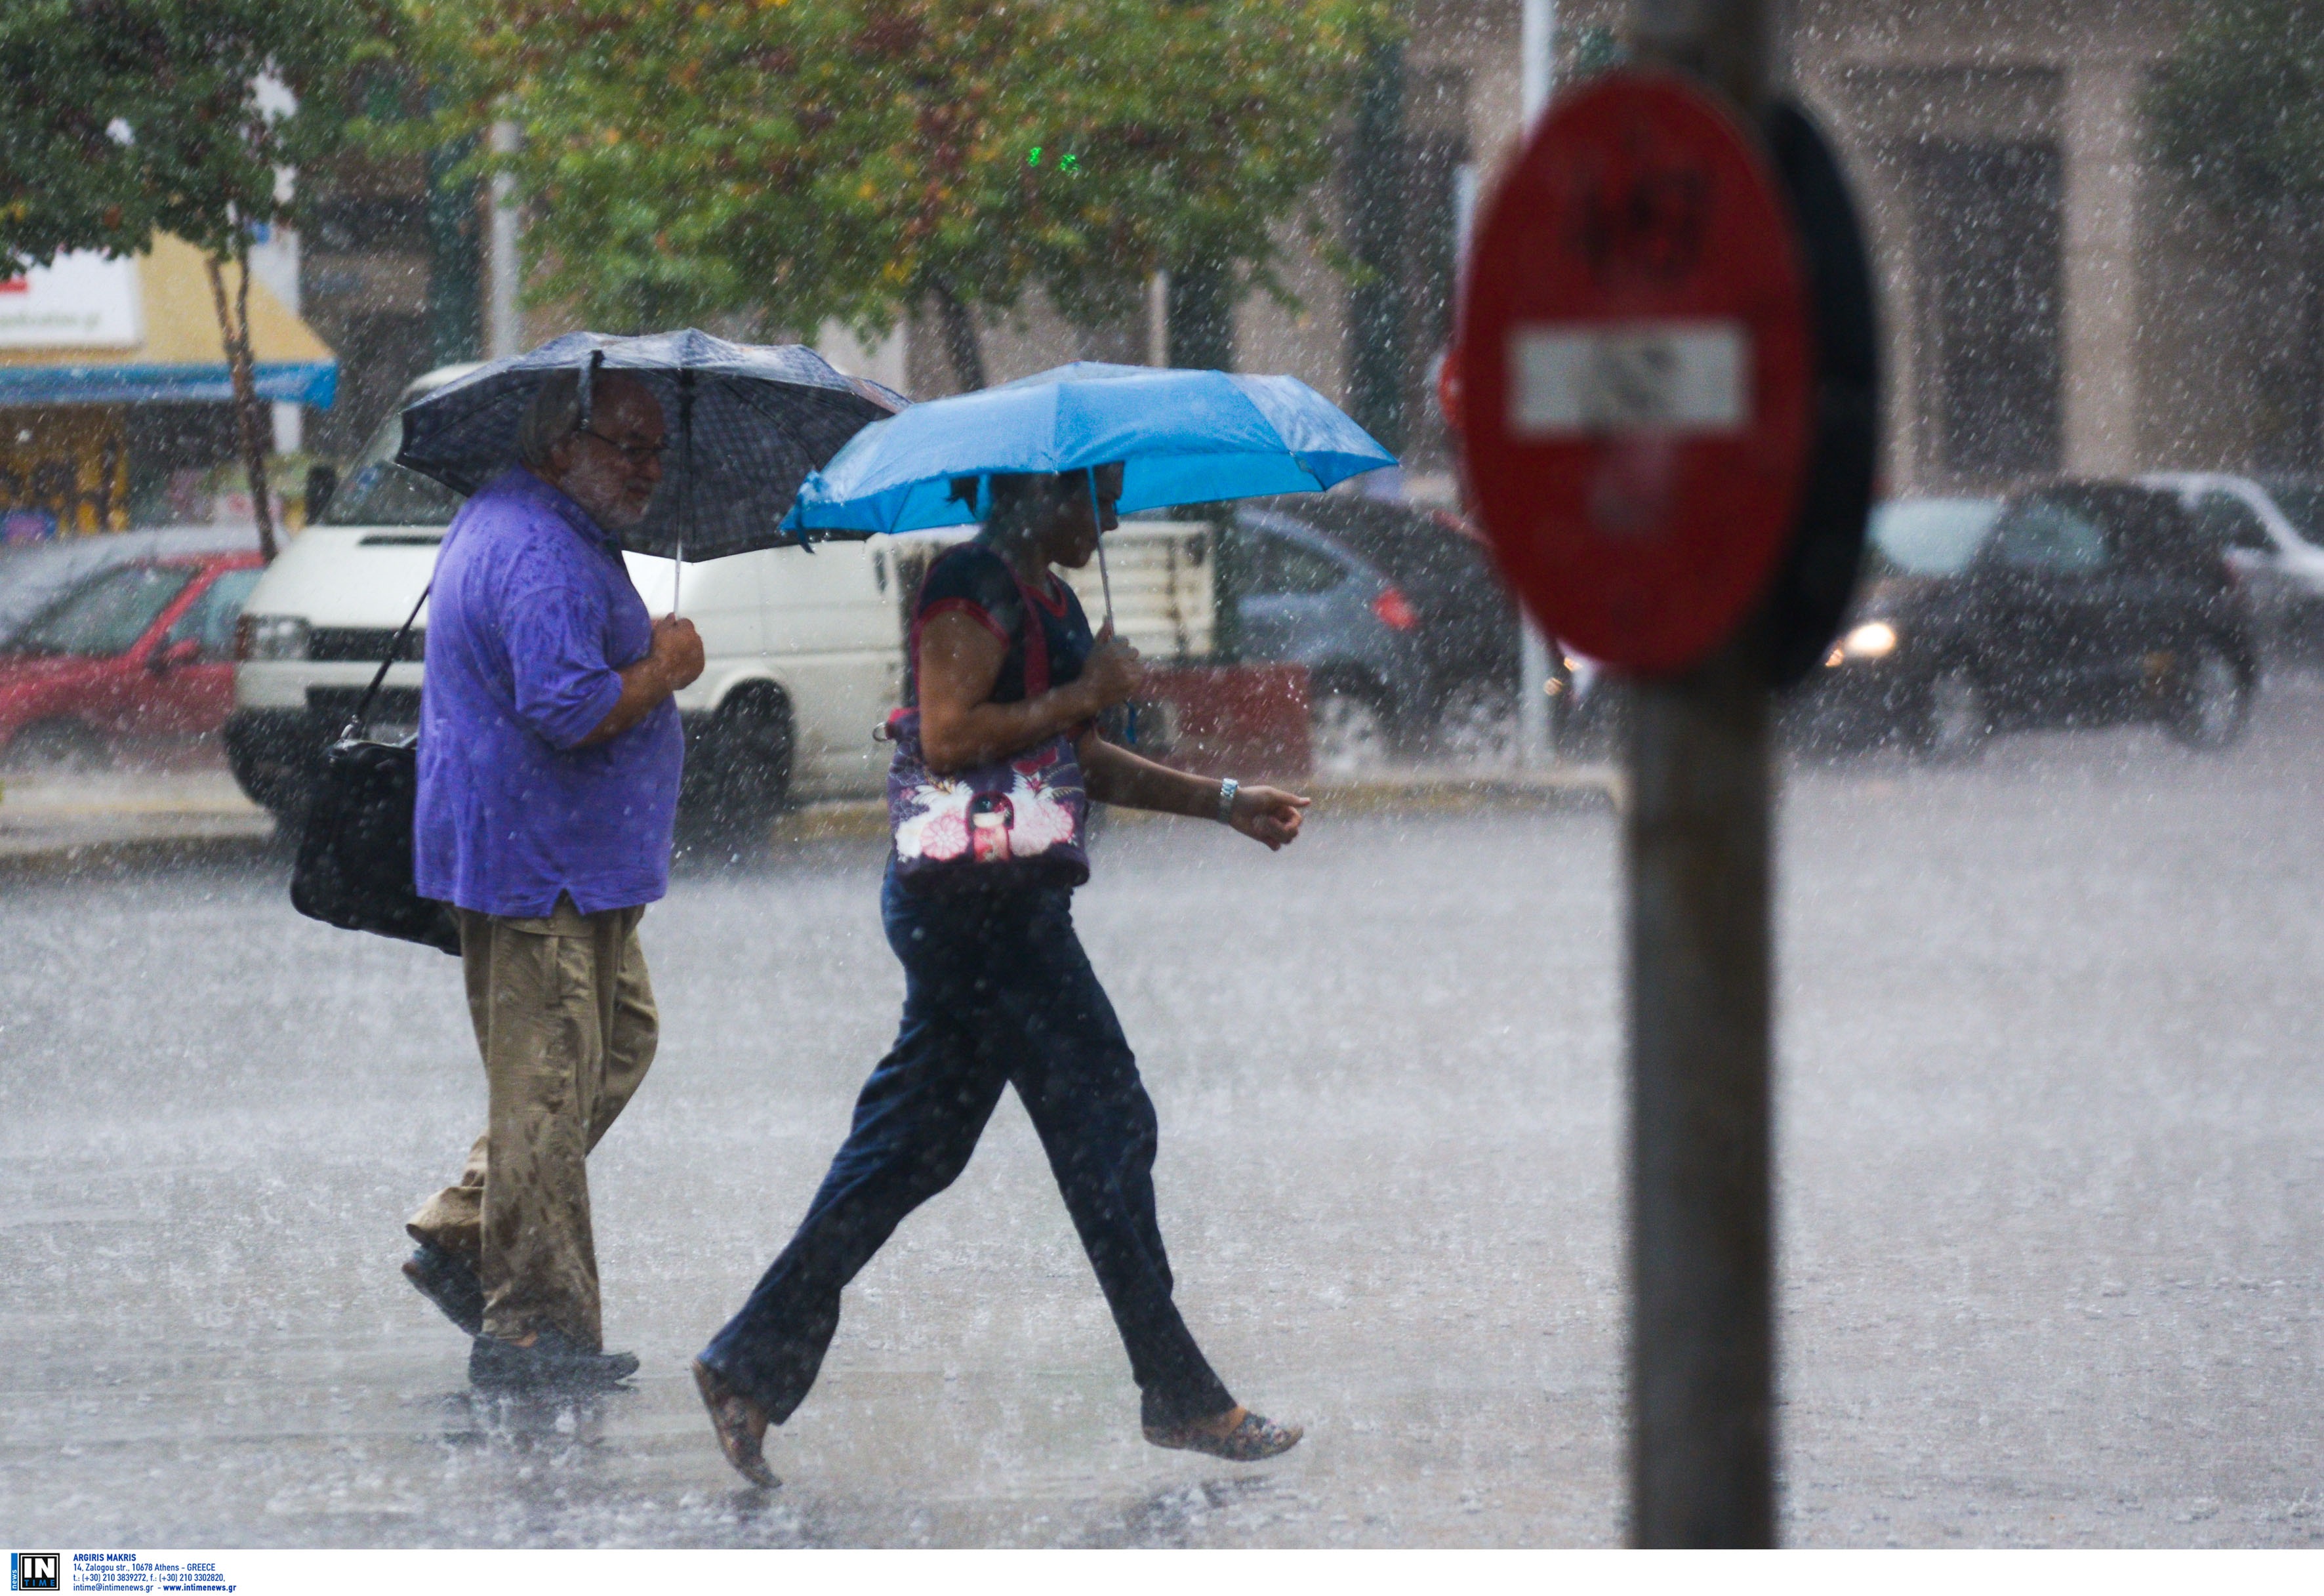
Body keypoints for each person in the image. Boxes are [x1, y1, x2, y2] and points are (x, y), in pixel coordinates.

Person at [690, 463, 1311, 1487]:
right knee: (1106, 1122)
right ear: (1035, 493)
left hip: (1003, 904)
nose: (1109, 515)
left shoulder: (1048, 596)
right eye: (1094, 496)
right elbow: (948, 736)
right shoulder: (969, 586)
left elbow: (1075, 761)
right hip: (978, 914)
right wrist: (1083, 691)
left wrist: (1223, 798)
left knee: (909, 1148)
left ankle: (746, 1364)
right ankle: (1184, 1395)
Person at [399, 367, 706, 1393]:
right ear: (562, 442)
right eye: (629, 445)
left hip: (572, 862)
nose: (649, 468)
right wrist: (661, 669)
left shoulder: (549, 525)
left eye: (656, 448)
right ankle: (533, 1326)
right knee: (545, 1088)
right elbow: (569, 708)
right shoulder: (535, 547)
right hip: (539, 868)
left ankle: (466, 1232)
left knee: (613, 1043)